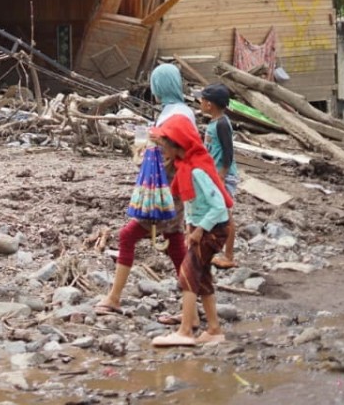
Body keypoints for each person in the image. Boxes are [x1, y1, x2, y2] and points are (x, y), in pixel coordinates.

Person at [94, 63, 195, 316]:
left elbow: (174, 153)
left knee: (127, 236)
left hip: (163, 193)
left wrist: (145, 153)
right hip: (176, 189)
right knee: (175, 242)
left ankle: (114, 297)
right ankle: (194, 304)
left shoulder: (174, 116)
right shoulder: (182, 111)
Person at [150, 115, 234, 348]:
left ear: (176, 145)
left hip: (212, 229)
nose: (162, 148)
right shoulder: (185, 167)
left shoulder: (196, 171)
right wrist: (189, 227)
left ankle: (186, 330)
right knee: (203, 276)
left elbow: (219, 207)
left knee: (187, 274)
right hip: (201, 227)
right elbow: (190, 204)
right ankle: (214, 329)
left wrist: (199, 231)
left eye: (165, 143)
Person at [199, 83, 239, 269]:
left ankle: (229, 256)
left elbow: (228, 152)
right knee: (215, 212)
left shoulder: (222, 124)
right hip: (214, 175)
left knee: (226, 214)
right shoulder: (214, 122)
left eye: (202, 100)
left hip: (224, 176)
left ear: (209, 104)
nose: (200, 103)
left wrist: (222, 175)